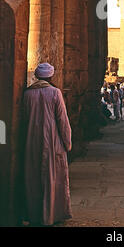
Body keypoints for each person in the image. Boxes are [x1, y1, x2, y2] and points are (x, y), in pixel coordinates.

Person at [23, 63, 72, 226]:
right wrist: (67, 142)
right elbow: (62, 121)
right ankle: (52, 214)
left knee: (34, 178)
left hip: (31, 141)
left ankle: (35, 214)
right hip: (52, 141)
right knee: (53, 178)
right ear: (51, 76)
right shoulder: (54, 93)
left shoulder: (28, 94)